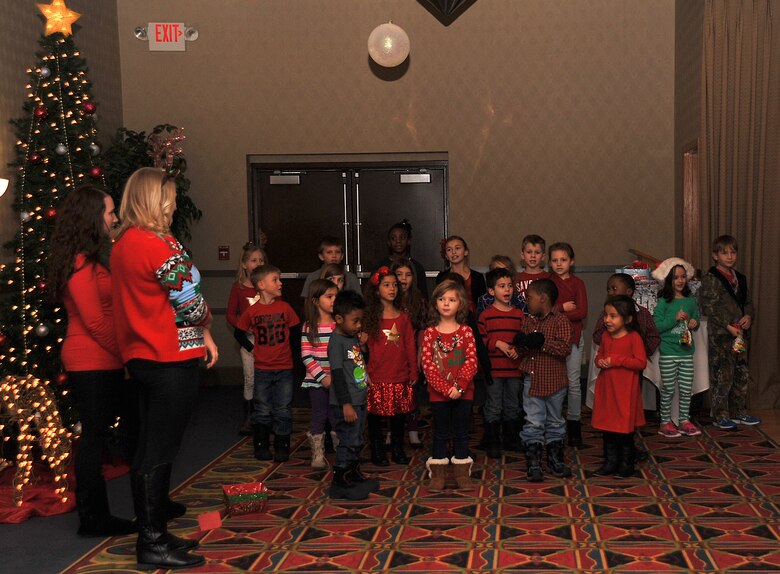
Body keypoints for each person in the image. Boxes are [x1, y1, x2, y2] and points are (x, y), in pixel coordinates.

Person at [112, 167, 218, 569]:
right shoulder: (155, 244)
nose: (173, 205)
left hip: (145, 356)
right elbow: (189, 303)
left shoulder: (126, 242)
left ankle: (154, 530)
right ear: (152, 199)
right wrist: (206, 320)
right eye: (168, 197)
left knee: (151, 447)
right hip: (167, 357)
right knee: (158, 449)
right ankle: (152, 541)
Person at [48, 185, 135, 538]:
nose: (114, 218)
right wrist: (126, 355)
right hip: (91, 360)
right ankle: (93, 518)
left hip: (103, 359)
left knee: (97, 436)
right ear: (91, 216)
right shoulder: (80, 263)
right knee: (93, 438)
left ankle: (97, 515)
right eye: (109, 211)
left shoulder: (90, 256)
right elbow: (96, 322)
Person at [237, 264, 301, 462]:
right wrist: (252, 348)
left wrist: (295, 358)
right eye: (276, 280)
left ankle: (282, 446)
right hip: (263, 368)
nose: (280, 283)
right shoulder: (252, 311)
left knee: (283, 409)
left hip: (284, 368)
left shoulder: (285, 308)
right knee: (262, 409)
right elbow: (238, 333)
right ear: (261, 285)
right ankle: (261, 446)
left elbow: (296, 333)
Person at [421, 280, 478, 491]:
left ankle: (462, 472)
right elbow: (428, 366)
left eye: (452, 300)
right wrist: (446, 390)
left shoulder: (466, 332)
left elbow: (472, 362)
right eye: (442, 299)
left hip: (464, 393)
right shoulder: (429, 334)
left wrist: (460, 387)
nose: (446, 303)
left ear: (460, 304)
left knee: (462, 432)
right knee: (441, 433)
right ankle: (438, 474)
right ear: (435, 303)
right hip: (439, 395)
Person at [514, 278, 572, 482]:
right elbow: (525, 348)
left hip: (555, 382)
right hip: (532, 380)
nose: (526, 301)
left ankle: (555, 460)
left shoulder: (560, 321)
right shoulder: (528, 321)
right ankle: (534, 462)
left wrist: (543, 343)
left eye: (529, 297)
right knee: (533, 421)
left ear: (543, 298)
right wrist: (521, 343)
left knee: (555, 421)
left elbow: (565, 349)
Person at [700, 235, 761, 429]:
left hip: (740, 336)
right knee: (722, 375)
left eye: (733, 252)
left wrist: (748, 317)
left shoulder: (740, 278)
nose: (729, 256)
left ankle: (739, 412)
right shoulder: (710, 278)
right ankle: (720, 415)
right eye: (724, 252)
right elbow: (710, 307)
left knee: (740, 374)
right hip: (721, 335)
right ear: (715, 255)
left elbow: (748, 303)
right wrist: (728, 326)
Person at [362, 266, 419, 466]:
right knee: (376, 416)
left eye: (395, 285)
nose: (392, 289)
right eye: (387, 285)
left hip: (399, 374)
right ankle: (377, 449)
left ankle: (397, 448)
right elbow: (361, 349)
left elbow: (410, 345)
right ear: (377, 290)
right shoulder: (370, 318)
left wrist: (413, 369)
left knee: (398, 416)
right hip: (376, 374)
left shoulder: (403, 317)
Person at [327, 290, 379, 500]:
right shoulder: (336, 342)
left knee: (357, 440)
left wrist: (365, 375)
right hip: (345, 404)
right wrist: (346, 404)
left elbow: (358, 361)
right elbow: (338, 376)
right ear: (339, 319)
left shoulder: (352, 338)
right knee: (348, 440)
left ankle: (354, 474)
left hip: (359, 398)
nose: (359, 325)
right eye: (355, 321)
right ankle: (340, 480)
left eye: (361, 321)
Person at [591, 295, 648, 478]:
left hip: (625, 392)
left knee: (624, 431)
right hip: (607, 390)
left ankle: (626, 464)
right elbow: (599, 355)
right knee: (607, 429)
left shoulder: (634, 338)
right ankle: (610, 462)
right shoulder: (606, 337)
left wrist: (617, 360)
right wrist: (600, 361)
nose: (607, 320)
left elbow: (640, 363)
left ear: (628, 319)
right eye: (606, 315)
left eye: (613, 316)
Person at [477, 267, 525, 459]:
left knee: (512, 405)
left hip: (514, 370)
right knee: (494, 405)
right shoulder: (485, 316)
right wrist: (496, 342)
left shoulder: (519, 315)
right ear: (491, 291)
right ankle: (492, 441)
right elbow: (480, 341)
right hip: (494, 371)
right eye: (502, 286)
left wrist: (517, 350)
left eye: (510, 286)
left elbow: (523, 340)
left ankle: (511, 439)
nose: (507, 290)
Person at [652, 258, 701, 438]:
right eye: (675, 278)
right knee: (669, 389)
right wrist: (674, 319)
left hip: (686, 352)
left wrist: (694, 323)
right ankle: (665, 422)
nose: (680, 281)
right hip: (668, 353)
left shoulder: (690, 301)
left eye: (682, 277)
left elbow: (694, 322)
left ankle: (684, 421)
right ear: (668, 280)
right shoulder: (664, 302)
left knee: (686, 389)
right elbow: (656, 327)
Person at [548, 242, 588, 448]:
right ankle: (554, 424)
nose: (559, 264)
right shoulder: (548, 282)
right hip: (553, 338)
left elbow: (582, 312)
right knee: (555, 381)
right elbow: (544, 311)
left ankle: (574, 425)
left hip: (573, 337)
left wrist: (557, 312)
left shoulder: (577, 283)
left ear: (571, 261)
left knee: (573, 383)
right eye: (554, 260)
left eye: (563, 260)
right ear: (549, 263)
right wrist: (562, 308)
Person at [226, 242, 267, 436]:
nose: (257, 263)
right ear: (244, 265)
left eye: (260, 260)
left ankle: (268, 414)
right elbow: (230, 315)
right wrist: (244, 324)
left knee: (267, 377)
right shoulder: (239, 288)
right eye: (253, 260)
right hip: (248, 340)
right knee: (250, 377)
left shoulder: (268, 286)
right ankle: (249, 417)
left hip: (268, 339)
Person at [301, 279, 339, 469]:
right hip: (317, 382)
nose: (334, 300)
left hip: (338, 381)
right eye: (329, 297)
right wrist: (323, 378)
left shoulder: (339, 325)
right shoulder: (310, 326)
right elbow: (306, 356)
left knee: (336, 415)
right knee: (319, 414)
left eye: (335, 296)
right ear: (316, 301)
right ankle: (318, 453)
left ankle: (341, 451)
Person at [391, 260, 426, 447]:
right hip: (389, 353)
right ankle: (391, 431)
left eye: (408, 275)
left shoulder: (418, 300)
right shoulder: (386, 299)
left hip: (410, 351)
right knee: (390, 393)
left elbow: (422, 328)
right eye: (399, 274)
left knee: (411, 393)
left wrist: (420, 351)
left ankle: (412, 430)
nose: (403, 279)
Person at [374, 219, 428, 298]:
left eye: (402, 238)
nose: (398, 241)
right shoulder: (380, 266)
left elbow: (423, 296)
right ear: (388, 242)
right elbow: (373, 294)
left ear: (409, 241)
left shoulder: (417, 267)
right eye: (393, 238)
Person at [435, 235, 486, 315]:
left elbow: (483, 304)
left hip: (474, 318)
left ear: (466, 252)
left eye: (457, 248)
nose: (453, 252)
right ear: (446, 256)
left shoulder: (477, 277)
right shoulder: (442, 277)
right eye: (449, 250)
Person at [515, 234, 550, 303]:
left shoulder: (549, 277)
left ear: (543, 256)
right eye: (529, 252)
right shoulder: (516, 278)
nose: (533, 256)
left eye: (537, 252)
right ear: (522, 255)